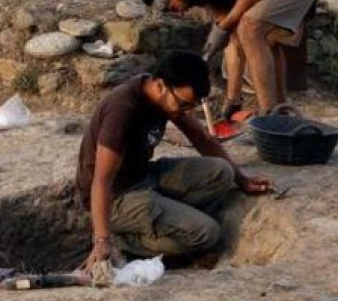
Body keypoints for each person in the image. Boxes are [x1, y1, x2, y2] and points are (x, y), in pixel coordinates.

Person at [76, 51, 272, 271]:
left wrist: (242, 180)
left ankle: (166, 218)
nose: (186, 112)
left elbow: (201, 138)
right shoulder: (122, 112)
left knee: (223, 173)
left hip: (143, 175)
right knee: (207, 233)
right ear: (160, 86)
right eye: (184, 104)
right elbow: (102, 180)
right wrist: (102, 240)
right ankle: (124, 243)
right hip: (117, 197)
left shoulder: (163, 95)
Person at [138, 0, 337, 116]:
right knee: (264, 39)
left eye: (173, 8)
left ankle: (269, 114)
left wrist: (224, 26)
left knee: (251, 28)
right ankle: (280, 109)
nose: (180, 14)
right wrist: (232, 100)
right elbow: (234, 43)